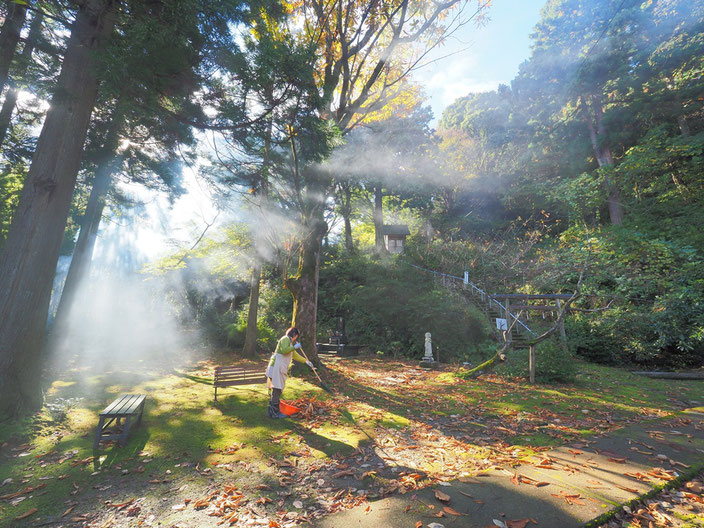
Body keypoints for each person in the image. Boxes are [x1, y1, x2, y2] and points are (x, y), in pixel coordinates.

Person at [265, 327, 314, 418]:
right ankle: (275, 413)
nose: (296, 339)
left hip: (279, 367)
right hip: (276, 367)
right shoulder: (285, 339)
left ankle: (270, 412)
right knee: (277, 389)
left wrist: (306, 361)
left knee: (277, 389)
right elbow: (284, 350)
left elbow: (294, 354)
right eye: (296, 337)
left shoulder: (289, 343)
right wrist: (294, 347)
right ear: (294, 335)